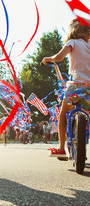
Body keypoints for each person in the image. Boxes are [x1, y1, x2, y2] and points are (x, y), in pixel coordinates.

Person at [42, 19, 90, 157]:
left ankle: (62, 148)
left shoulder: (72, 43)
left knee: (63, 114)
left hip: (76, 85)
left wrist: (47, 59)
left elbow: (58, 57)